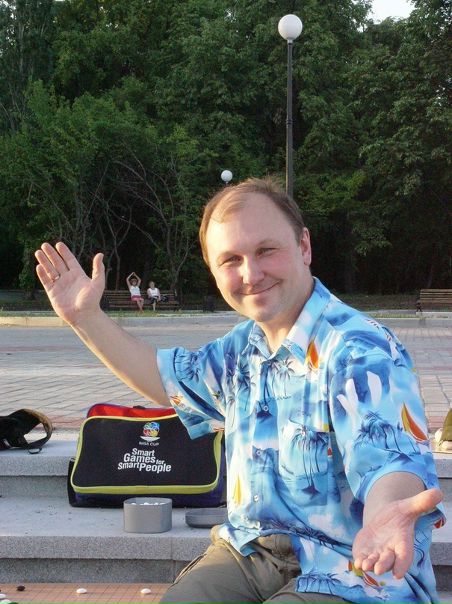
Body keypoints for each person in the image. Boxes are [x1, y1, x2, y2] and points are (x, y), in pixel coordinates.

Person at [34, 177, 445, 604]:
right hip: (251, 551)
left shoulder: (359, 349)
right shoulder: (240, 349)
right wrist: (85, 318)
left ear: (304, 246)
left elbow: (389, 462)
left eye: (266, 250)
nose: (251, 273)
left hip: (354, 564)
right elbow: (166, 381)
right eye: (231, 259)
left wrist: (386, 513)